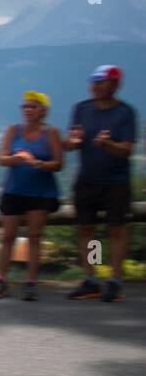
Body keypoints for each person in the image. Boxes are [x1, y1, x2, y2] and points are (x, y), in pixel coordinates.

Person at [65, 65, 137, 302]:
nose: (95, 86)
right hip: (87, 180)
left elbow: (126, 150)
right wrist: (72, 143)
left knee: (116, 231)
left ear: (115, 85)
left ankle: (115, 279)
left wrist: (107, 145)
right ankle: (91, 278)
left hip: (116, 182)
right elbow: (71, 142)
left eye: (101, 82)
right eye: (93, 82)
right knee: (88, 231)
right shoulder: (81, 109)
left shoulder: (125, 113)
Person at [0, 91, 63, 301]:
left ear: (43, 111)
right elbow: (1, 159)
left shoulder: (51, 133)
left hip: (40, 192)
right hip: (14, 190)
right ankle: (1, 280)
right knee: (6, 237)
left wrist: (36, 163)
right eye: (25, 106)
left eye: (33, 106)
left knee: (34, 237)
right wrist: (16, 158)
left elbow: (59, 164)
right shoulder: (14, 130)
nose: (28, 110)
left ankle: (30, 282)